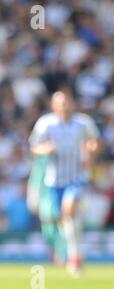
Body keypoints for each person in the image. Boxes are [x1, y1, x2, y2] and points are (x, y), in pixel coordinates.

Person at [29, 90, 101, 277]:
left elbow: (95, 142)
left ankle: (74, 259)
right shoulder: (45, 124)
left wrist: (91, 155)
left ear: (73, 103)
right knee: (66, 220)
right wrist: (46, 149)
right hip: (54, 180)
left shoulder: (83, 123)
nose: (65, 105)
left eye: (67, 101)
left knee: (69, 212)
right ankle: (76, 255)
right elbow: (34, 148)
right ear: (53, 105)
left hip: (77, 178)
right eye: (60, 102)